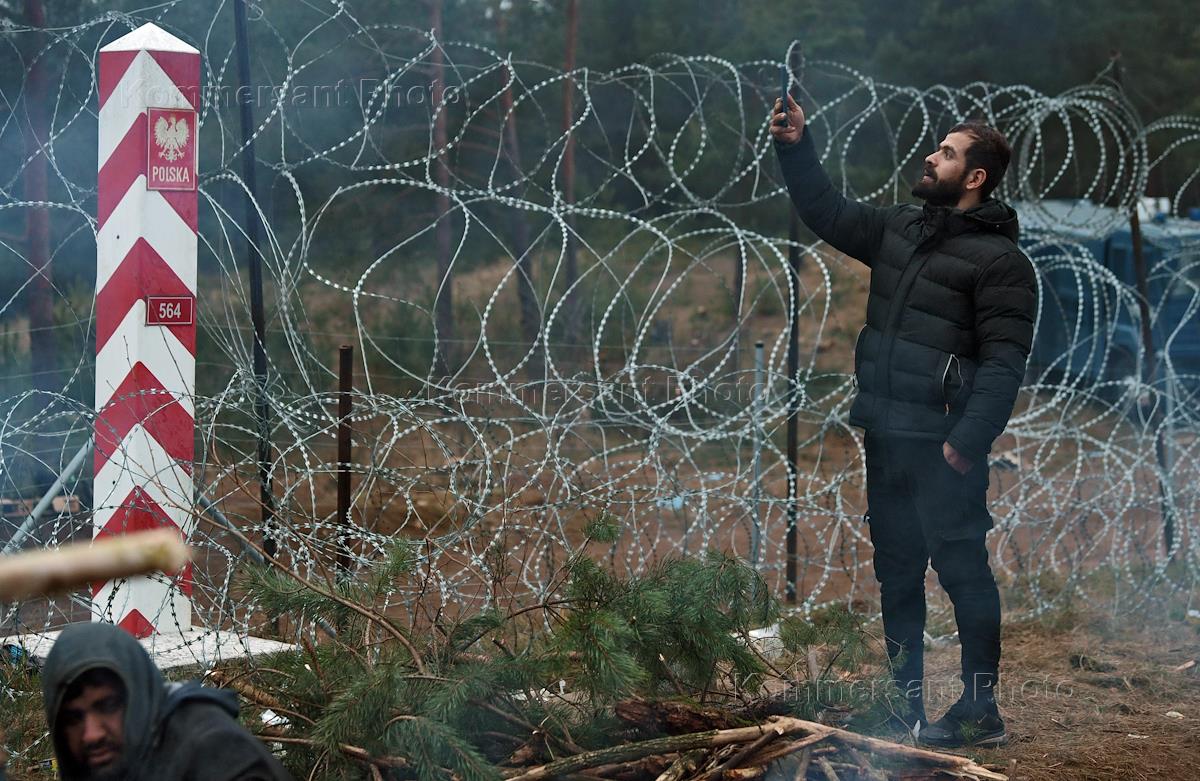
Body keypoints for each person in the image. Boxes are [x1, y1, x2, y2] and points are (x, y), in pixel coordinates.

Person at [771, 95, 1036, 748]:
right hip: (886, 434)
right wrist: (796, 147)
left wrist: (967, 441)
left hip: (943, 444)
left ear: (975, 177)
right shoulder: (901, 228)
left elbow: (1004, 363)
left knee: (963, 573)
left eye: (946, 153)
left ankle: (979, 710)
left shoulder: (1001, 263)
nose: (930, 157)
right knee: (896, 575)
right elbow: (825, 210)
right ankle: (902, 706)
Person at [41, 622, 293, 780]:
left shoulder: (214, 753)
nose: (92, 735)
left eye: (107, 706)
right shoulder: (105, 766)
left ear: (138, 697)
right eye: (73, 718)